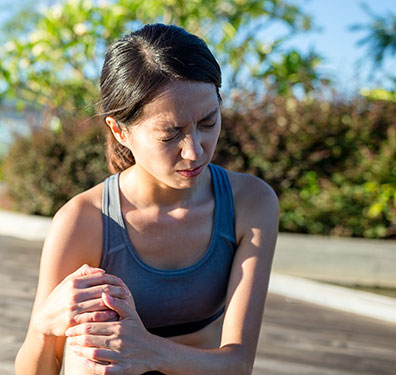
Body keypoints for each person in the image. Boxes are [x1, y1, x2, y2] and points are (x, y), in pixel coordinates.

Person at [15, 23, 279, 375]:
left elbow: (238, 362)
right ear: (120, 131)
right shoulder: (85, 220)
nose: (195, 150)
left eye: (208, 122)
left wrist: (147, 351)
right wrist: (44, 328)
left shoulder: (250, 203)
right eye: (170, 135)